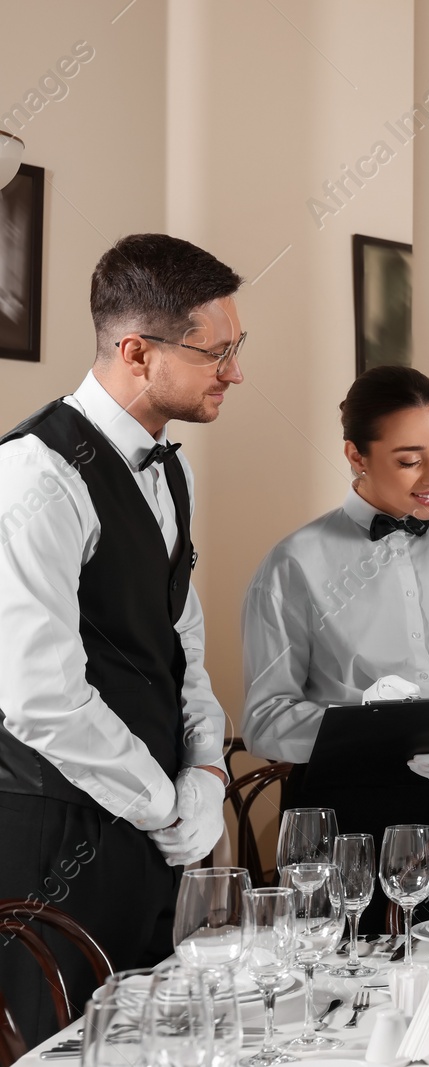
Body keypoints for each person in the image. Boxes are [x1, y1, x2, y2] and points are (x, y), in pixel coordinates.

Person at [0, 234, 240, 1047]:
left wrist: (207, 767)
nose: (234, 372)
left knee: (156, 1047)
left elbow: (181, 639)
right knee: (58, 1049)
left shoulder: (172, 470)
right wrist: (168, 802)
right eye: (219, 352)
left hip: (150, 836)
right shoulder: (33, 477)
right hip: (52, 840)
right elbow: (41, 698)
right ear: (138, 351)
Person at [242, 366, 429, 930]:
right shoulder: (293, 563)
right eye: (408, 459)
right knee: (336, 1006)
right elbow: (264, 720)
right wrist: (357, 724)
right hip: (332, 821)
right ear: (356, 455)